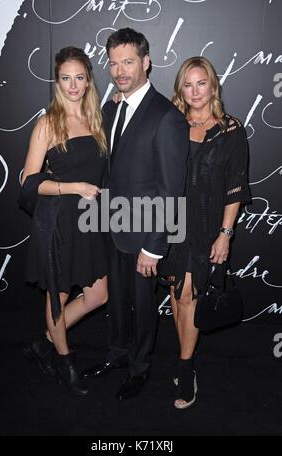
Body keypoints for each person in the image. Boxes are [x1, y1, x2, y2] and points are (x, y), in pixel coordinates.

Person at [81, 28, 189, 401]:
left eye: (128, 62)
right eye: (113, 63)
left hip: (145, 237)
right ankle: (117, 354)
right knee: (117, 301)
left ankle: (140, 369)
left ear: (146, 62)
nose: (120, 70)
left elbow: (172, 189)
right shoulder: (112, 107)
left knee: (143, 309)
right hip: (111, 227)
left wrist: (155, 247)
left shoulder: (167, 117)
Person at [158, 56, 250, 409]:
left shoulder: (230, 130)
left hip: (207, 227)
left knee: (189, 297)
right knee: (175, 294)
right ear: (180, 88)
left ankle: (185, 368)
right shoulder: (172, 124)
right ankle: (186, 361)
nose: (195, 91)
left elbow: (235, 188)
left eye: (201, 83)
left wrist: (225, 234)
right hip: (170, 223)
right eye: (188, 84)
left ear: (213, 86)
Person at [20, 47, 108, 396]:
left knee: (98, 294)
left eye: (79, 78)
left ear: (88, 81)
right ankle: (64, 360)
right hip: (57, 222)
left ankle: (44, 343)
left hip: (90, 221)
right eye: (65, 78)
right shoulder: (48, 123)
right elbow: (28, 182)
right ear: (58, 82)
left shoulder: (97, 120)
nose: (73, 85)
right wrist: (73, 187)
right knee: (56, 296)